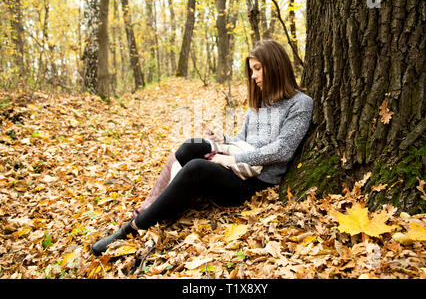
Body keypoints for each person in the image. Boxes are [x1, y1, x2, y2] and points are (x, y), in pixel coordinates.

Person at [91, 40, 314, 256]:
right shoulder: (261, 101)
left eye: (257, 69)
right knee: (191, 146)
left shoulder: (300, 103)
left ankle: (130, 230)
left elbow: (283, 150)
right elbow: (241, 140)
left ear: (276, 66)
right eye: (251, 70)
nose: (253, 76)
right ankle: (155, 207)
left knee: (197, 168)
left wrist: (231, 160)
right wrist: (223, 139)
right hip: (238, 167)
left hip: (256, 182)